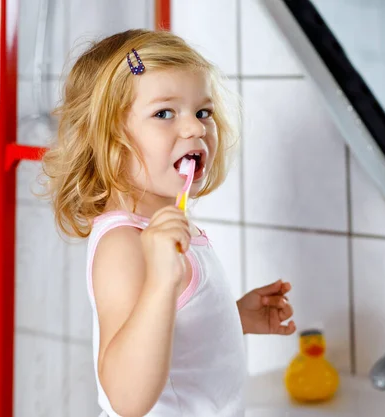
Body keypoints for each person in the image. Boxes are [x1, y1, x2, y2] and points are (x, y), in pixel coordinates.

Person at [41, 29, 296, 417]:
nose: (195, 128)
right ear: (109, 139)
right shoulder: (124, 245)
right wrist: (161, 283)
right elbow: (126, 398)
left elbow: (168, 329)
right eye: (164, 113)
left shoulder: (164, 226)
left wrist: (232, 315)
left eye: (203, 112)